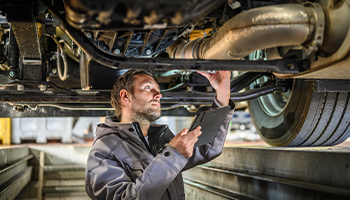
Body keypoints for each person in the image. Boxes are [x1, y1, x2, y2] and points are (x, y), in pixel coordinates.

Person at [85, 69, 235, 200]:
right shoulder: (105, 149)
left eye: (157, 89)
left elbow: (206, 148)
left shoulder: (160, 137)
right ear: (125, 97)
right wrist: (173, 155)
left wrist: (222, 95)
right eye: (148, 87)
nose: (159, 94)